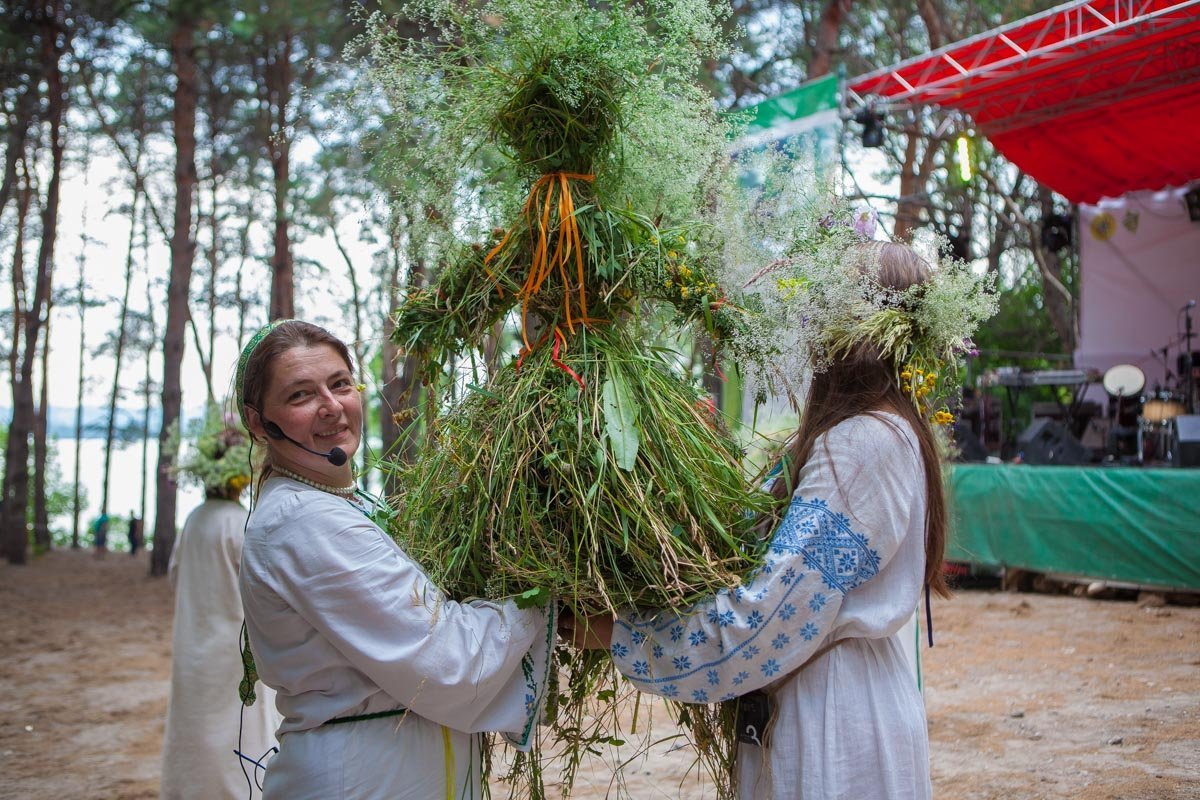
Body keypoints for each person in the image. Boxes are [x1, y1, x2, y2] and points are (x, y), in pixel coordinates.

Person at [566, 241, 991, 800]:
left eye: (823, 303)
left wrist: (621, 633)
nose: (807, 320)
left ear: (854, 326)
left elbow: (771, 620)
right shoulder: (869, 432)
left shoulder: (862, 442)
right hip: (833, 698)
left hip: (831, 720)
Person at [235, 319, 557, 800]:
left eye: (340, 384)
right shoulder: (304, 521)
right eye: (301, 396)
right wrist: (548, 597)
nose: (331, 407)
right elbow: (445, 659)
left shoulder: (342, 503)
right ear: (260, 422)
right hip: (362, 777)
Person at [161, 415, 279, 800]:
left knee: (196, 726)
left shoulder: (194, 521)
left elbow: (177, 576)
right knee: (237, 725)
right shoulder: (239, 524)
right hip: (232, 646)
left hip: (194, 645)